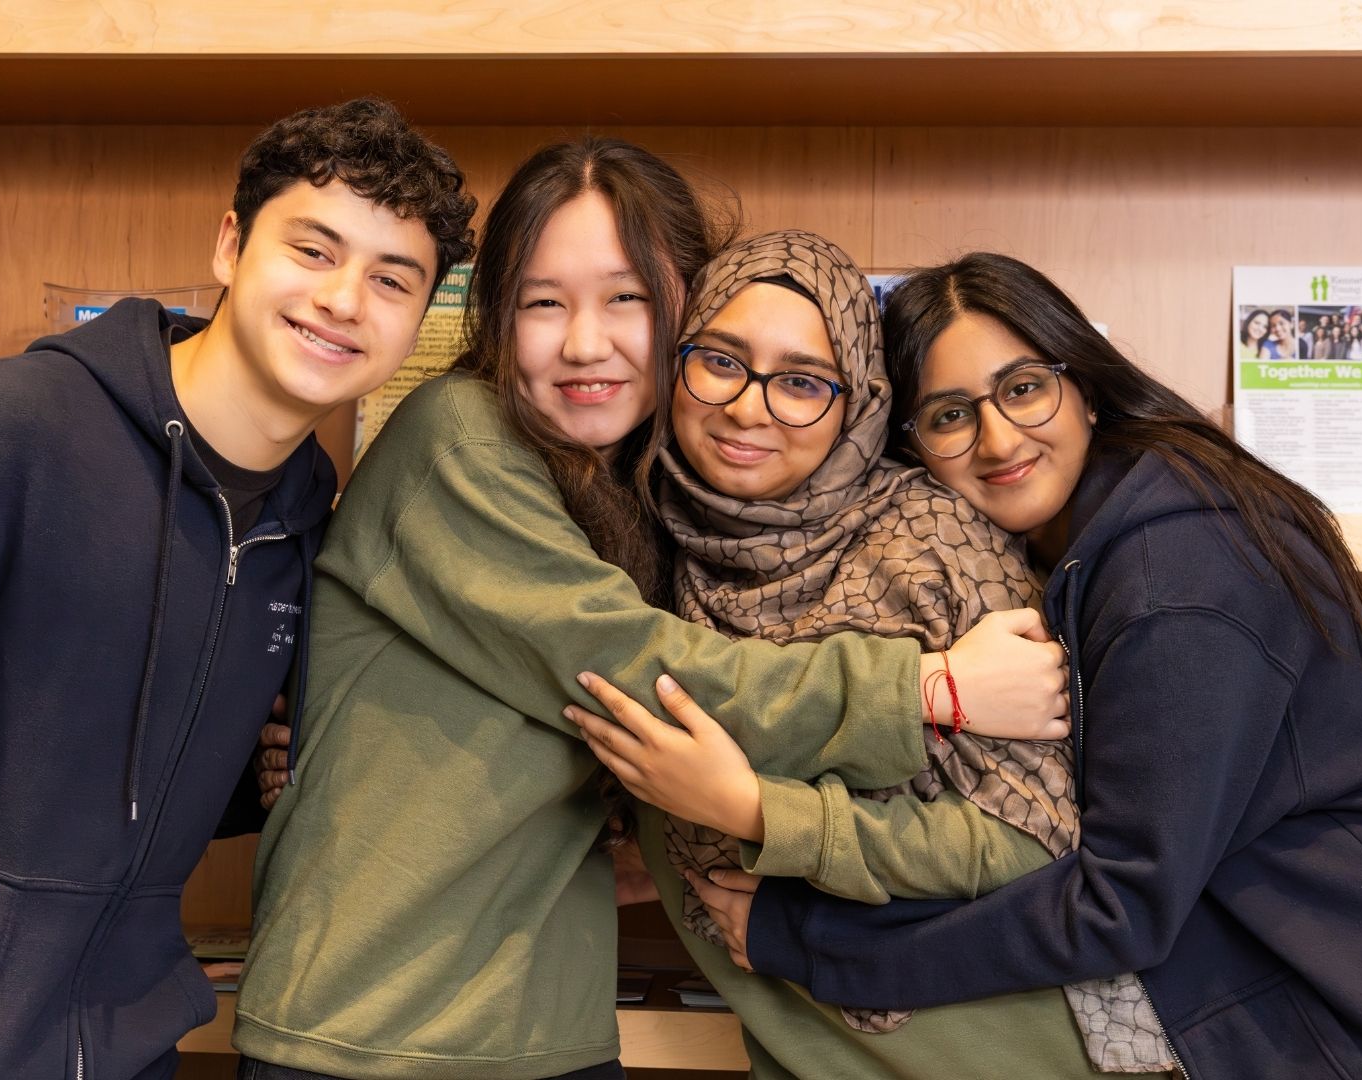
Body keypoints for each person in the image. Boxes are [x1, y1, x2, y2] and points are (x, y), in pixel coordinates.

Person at [579, 251, 1362, 1078]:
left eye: (1023, 389)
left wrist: (813, 941)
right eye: (950, 414)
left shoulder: (1177, 566)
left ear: (1087, 388)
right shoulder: (1081, 549)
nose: (997, 438)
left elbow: (1117, 903)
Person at [231, 145, 1068, 1080]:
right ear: (495, 311)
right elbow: (637, 670)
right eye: (542, 303)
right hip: (375, 1031)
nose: (585, 344)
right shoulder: (458, 434)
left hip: (541, 1023)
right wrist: (930, 689)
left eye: (625, 298)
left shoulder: (656, 503)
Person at [0, 99, 478, 1080]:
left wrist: (255, 775)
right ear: (231, 245)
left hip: (116, 1050)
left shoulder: (304, 523)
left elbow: (107, 765)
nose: (343, 299)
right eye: (313, 250)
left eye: (392, 279)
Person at [570, 231, 1155, 1077]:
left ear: (861, 404)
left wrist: (762, 814)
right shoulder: (645, 548)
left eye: (803, 382)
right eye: (721, 362)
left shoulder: (930, 541)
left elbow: (1035, 841)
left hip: (997, 1050)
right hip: (805, 1047)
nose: (750, 408)